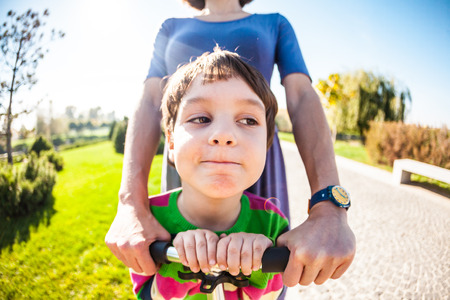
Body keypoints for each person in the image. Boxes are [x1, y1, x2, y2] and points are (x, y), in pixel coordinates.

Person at [106, 0, 355, 289]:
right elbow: (151, 101)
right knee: (176, 259)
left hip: (254, 167)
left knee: (262, 268)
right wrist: (130, 203)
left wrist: (328, 205)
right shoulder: (170, 27)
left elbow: (301, 97)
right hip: (188, 164)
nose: (223, 134)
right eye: (203, 117)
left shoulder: (275, 24)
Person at [131, 49, 289, 299]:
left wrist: (255, 268)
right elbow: (145, 294)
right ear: (170, 143)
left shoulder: (272, 223)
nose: (224, 134)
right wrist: (182, 265)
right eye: (201, 118)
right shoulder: (148, 220)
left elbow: (277, 294)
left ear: (266, 144)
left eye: (248, 121)